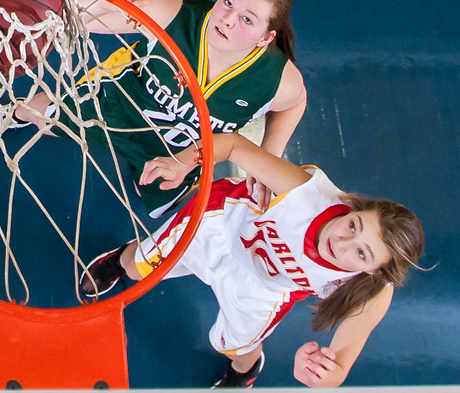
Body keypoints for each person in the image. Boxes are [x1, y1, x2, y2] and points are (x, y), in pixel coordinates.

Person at [80, 132, 424, 388]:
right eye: (354, 225)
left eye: (361, 252)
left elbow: (337, 371)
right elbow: (234, 145)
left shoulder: (372, 290)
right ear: (355, 210)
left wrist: (319, 372)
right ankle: (121, 260)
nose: (343, 241)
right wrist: (182, 161)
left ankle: (245, 372)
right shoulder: (306, 193)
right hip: (222, 225)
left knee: (238, 348)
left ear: (373, 270)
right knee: (137, 266)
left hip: (264, 287)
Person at [0, 0, 307, 218]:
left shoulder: (277, 81)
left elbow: (295, 104)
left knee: (155, 196)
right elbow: (73, 18)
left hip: (181, 151)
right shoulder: (172, 14)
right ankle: (12, 113)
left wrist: (267, 159)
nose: (229, 19)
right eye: (227, 2)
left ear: (265, 38)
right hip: (123, 102)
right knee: (44, 114)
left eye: (247, 19)